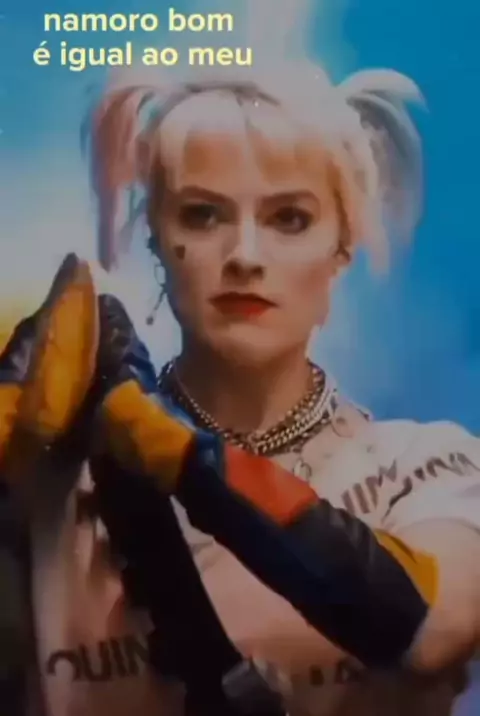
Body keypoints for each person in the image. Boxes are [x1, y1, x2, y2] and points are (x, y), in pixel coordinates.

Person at [2, 61, 480, 716]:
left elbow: (430, 630)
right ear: (157, 240)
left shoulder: (429, 468)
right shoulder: (48, 483)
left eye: (290, 218)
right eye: (202, 215)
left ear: (342, 247)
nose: (245, 255)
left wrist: (188, 459)